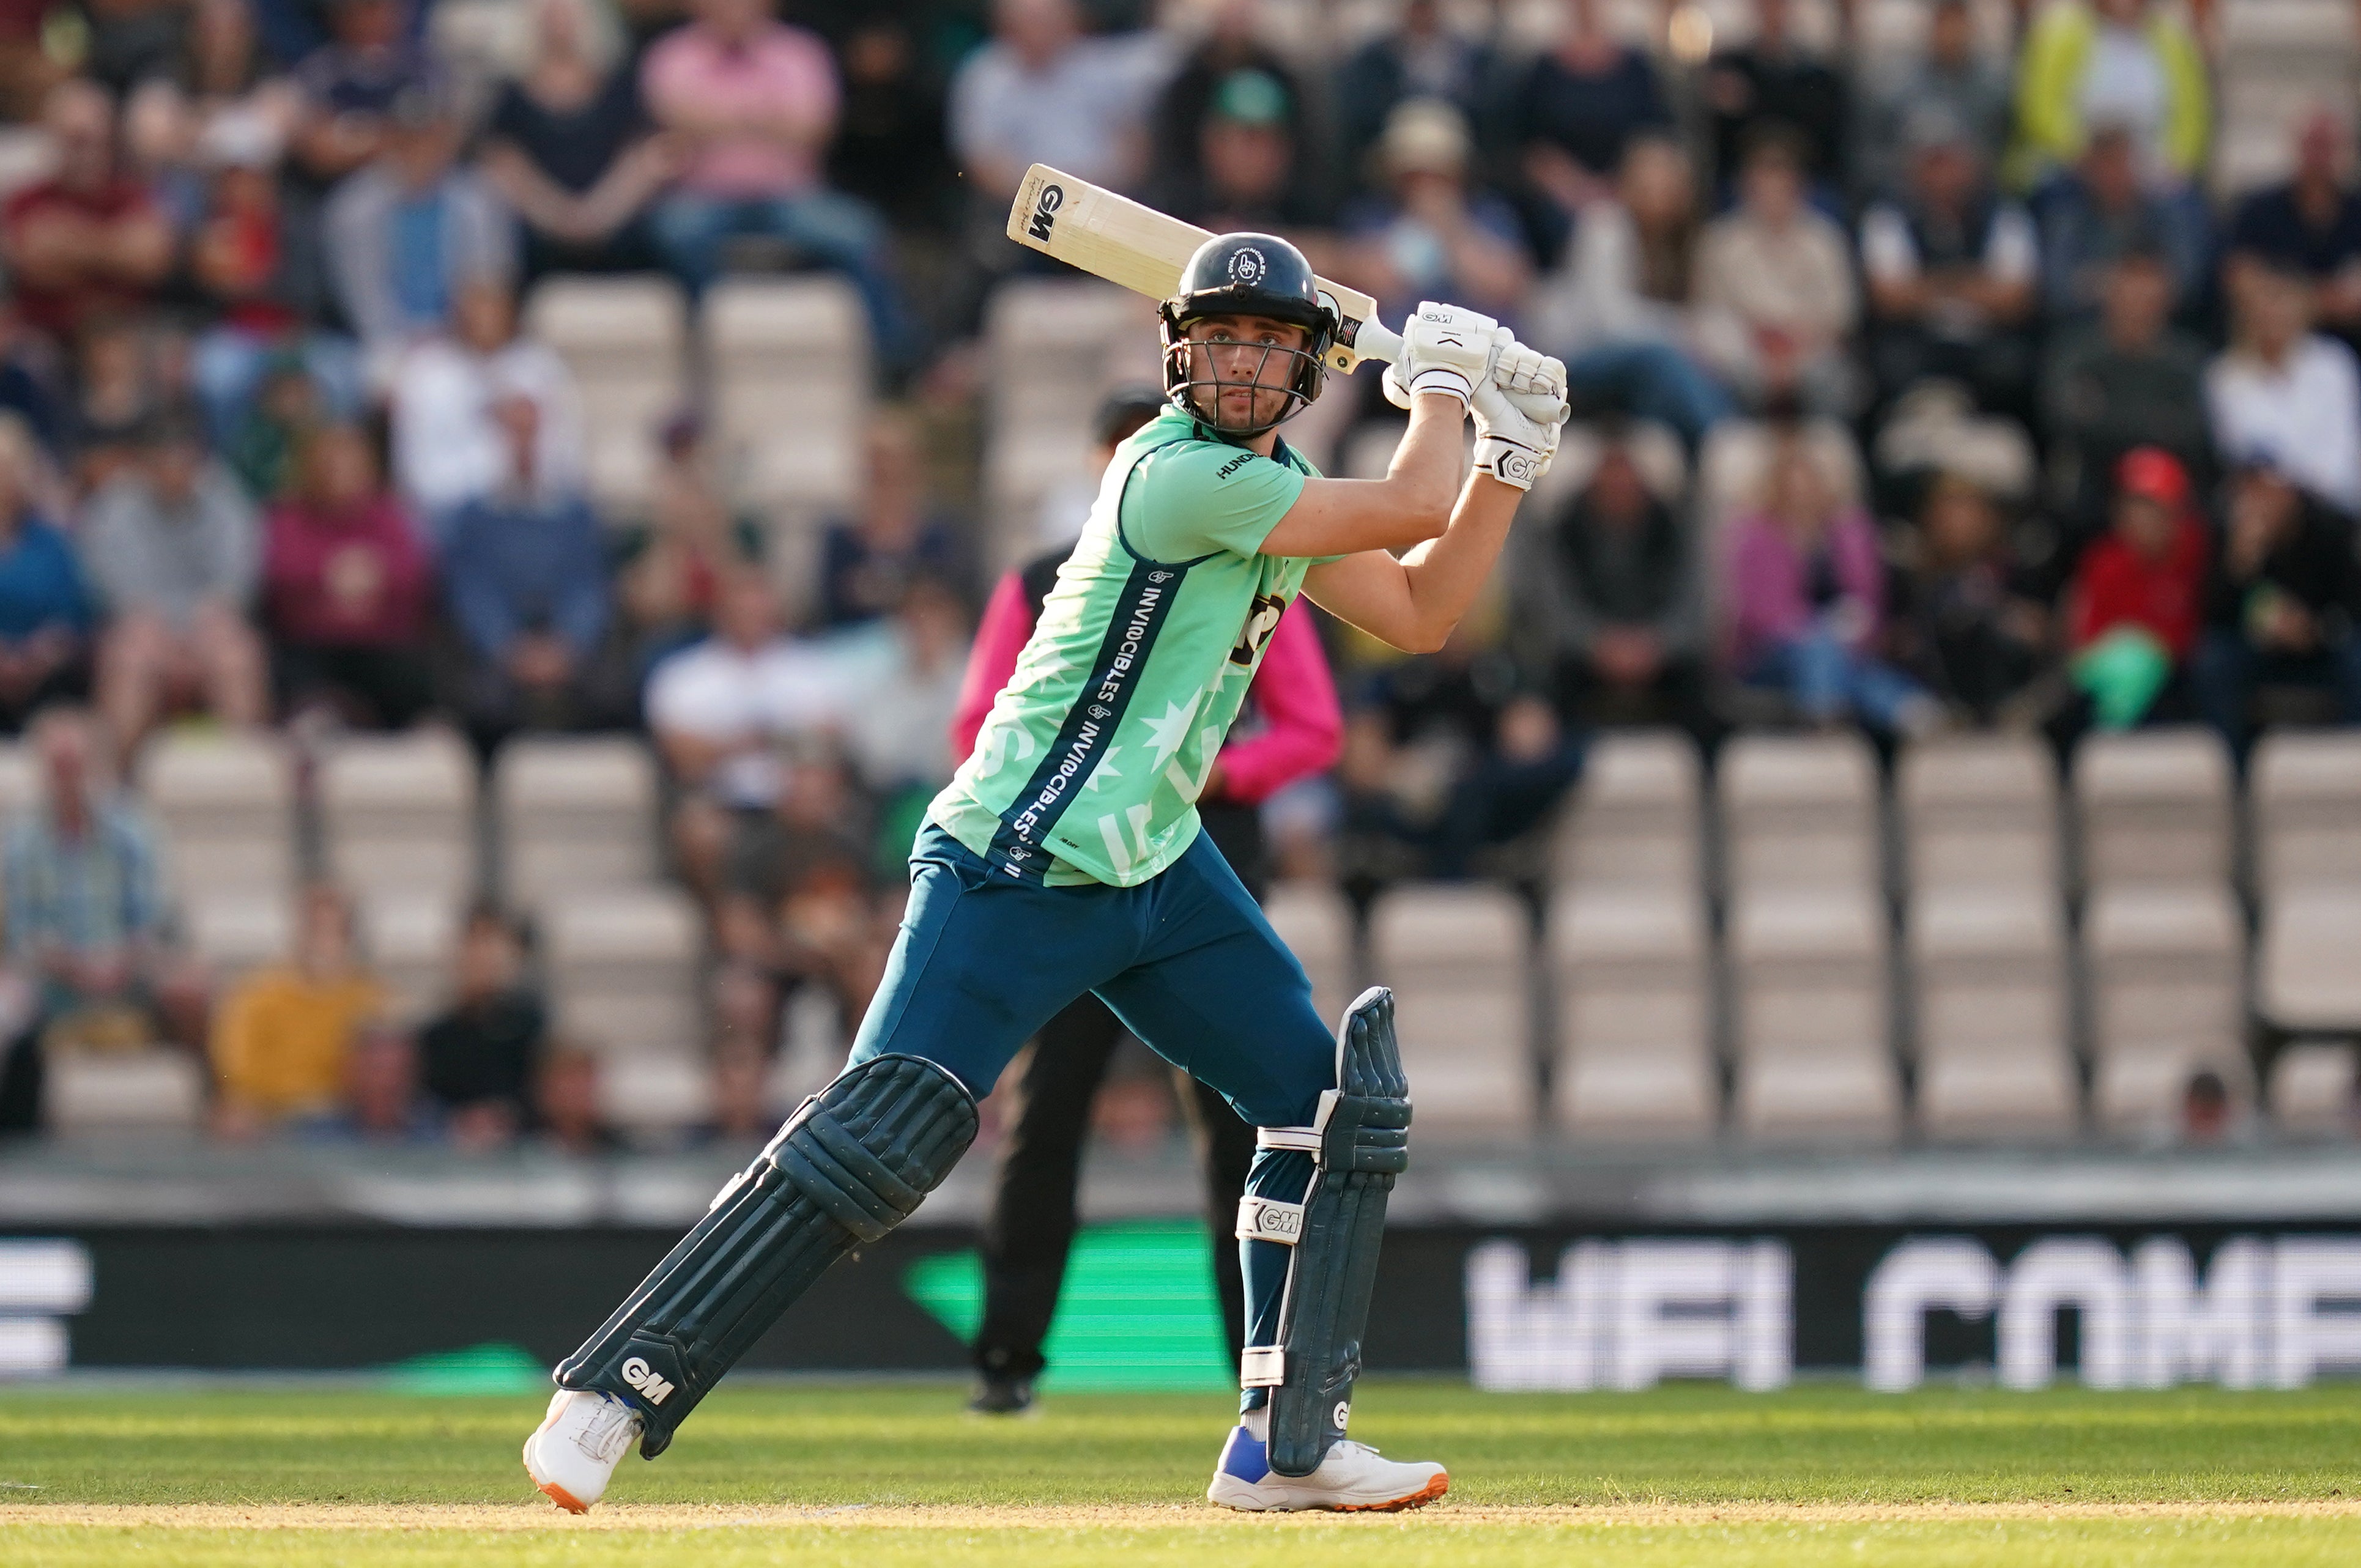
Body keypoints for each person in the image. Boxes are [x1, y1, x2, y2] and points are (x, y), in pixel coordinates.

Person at [520, 232, 1569, 1513]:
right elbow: (1409, 503)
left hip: (1158, 864)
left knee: (1322, 1111)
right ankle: (613, 1387)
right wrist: (1452, 390)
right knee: (882, 1135)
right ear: (1181, 354)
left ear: (1303, 369)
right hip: (1018, 853)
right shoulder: (1176, 473)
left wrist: (1508, 464)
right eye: (1224, 338)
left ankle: (1283, 1445)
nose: (1244, 364)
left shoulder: (1273, 485)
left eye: (1271, 345)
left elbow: (1418, 610)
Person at [949, 388, 1343, 1412]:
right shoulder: (1043, 583)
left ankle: (1259, 1375)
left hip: (1200, 864)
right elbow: (980, 732)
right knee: (1048, 1116)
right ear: (1100, 467)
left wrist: (1220, 772)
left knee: (1238, 1124)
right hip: (1074, 868)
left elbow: (1313, 727)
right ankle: (1007, 1362)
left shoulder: (1253, 573)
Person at [640, 0, 910, 364]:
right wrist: (766, 119)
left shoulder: (801, 52)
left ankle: (892, 365)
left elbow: (814, 130)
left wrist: (715, 122)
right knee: (671, 233)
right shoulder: (671, 54)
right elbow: (671, 121)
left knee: (861, 235)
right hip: (703, 197)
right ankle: (710, 353)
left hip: (791, 197)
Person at [0, 707, 194, 1135]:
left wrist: (120, 961)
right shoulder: (22, 840)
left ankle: (217, 1115)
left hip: (129, 972)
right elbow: (23, 933)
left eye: (77, 767)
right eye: (59, 768)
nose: (69, 778)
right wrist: (74, 966)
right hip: (54, 981)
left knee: (191, 988)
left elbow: (152, 919)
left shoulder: (133, 830)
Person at [1527, 136, 1730, 448]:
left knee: (1679, 374)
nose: (1659, 193)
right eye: (1649, 182)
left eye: (1669, 184)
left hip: (1636, 365)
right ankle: (1724, 443)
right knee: (1662, 357)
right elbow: (1612, 324)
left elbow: (1709, 318)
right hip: (1574, 354)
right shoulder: (1604, 226)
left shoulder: (1683, 243)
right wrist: (1683, 334)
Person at [1724, 435, 1933, 735]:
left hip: (1846, 652)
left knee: (1846, 662)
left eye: (1809, 485)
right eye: (1792, 488)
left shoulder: (1852, 535)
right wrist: (1822, 629)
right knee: (1819, 645)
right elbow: (1763, 619)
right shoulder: (1755, 538)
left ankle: (1908, 716)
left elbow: (1870, 605)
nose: (1802, 496)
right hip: (1771, 657)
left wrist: (1851, 630)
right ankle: (1850, 712)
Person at [83, 411, 268, 749]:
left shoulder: (229, 500)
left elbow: (237, 583)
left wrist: (199, 631)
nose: (173, 466)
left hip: (209, 627)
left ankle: (245, 781)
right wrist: (168, 637)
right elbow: (118, 593)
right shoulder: (113, 508)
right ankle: (117, 788)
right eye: (162, 456)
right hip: (145, 629)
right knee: (131, 656)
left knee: (236, 658)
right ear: (143, 463)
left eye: (183, 456)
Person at [442, 394, 619, 744]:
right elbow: (472, 592)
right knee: (480, 706)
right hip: (499, 655)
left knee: (613, 698)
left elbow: (588, 586)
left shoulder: (577, 516)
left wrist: (568, 646)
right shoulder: (473, 518)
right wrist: (507, 648)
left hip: (568, 650)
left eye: (531, 432)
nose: (523, 444)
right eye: (513, 433)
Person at [1511, 429, 1710, 733]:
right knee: (1547, 680)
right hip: (1583, 657)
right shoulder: (1564, 529)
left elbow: (1692, 603)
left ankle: (1706, 775)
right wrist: (1596, 643)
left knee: (1705, 689)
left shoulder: (1671, 531)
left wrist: (1657, 643)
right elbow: (1550, 604)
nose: (1619, 487)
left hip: (1661, 657)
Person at [324, 85, 516, 378]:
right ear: (391, 141)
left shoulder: (479, 200)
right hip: (388, 344)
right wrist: (411, 350)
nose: (423, 151)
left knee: (528, 376)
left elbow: (489, 285)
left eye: (432, 138)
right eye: (411, 140)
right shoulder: (353, 209)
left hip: (466, 340)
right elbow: (366, 303)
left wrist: (463, 340)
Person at [1858, 109, 2037, 416]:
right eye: (1932, 164)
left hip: (1985, 340)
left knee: (2014, 367)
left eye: (1951, 163)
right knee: (1889, 364)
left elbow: (2015, 300)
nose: (1943, 177)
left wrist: (1929, 285)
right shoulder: (1888, 216)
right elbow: (1889, 298)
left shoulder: (2004, 216)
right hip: (1917, 340)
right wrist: (1971, 284)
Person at [482, 0, 675, 281]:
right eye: (551, 14)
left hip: (618, 221)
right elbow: (502, 162)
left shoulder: (620, 85)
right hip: (535, 228)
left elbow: (646, 156)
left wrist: (599, 215)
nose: (559, 24)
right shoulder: (511, 95)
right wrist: (555, 216)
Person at [260, 423, 434, 728]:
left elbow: (413, 572)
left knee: (412, 671)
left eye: (351, 466)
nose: (341, 476)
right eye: (331, 467)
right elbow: (282, 572)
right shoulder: (289, 515)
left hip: (381, 643)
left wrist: (373, 577)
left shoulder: (389, 515)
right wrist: (331, 576)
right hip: (309, 643)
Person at [2040, 243, 2213, 536]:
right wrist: (2154, 421)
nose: (2138, 305)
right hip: (2093, 481)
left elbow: (2193, 432)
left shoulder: (2188, 360)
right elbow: (2062, 418)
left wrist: (2108, 415)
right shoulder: (2073, 352)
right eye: (2129, 291)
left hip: (2169, 485)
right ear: (2110, 293)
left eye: (2148, 295)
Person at [2193, 459, 2361, 758]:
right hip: (2260, 653)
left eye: (2265, 493)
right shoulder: (2231, 537)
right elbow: (2212, 617)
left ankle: (2352, 761)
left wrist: (2315, 630)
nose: (2257, 505)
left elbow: (2350, 604)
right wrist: (2239, 566)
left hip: (2321, 651)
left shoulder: (2329, 530)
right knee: (2214, 661)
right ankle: (2235, 772)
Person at [389, 279, 587, 533]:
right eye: (476, 313)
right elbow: (419, 478)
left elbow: (569, 460)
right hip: (457, 517)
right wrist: (499, 462)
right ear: (456, 317)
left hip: (538, 510)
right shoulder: (426, 375)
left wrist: (527, 454)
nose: (486, 322)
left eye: (495, 311)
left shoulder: (541, 368)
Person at [1693, 128, 1859, 415]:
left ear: (1800, 186)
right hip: (1745, 353)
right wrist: (1761, 347)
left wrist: (1795, 348)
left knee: (1835, 375)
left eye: (1781, 180)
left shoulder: (1825, 240)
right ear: (1745, 185)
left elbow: (1842, 314)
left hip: (1808, 351)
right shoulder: (1720, 241)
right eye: (1763, 180)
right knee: (1718, 358)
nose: (1772, 190)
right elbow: (1710, 312)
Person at [1, 81, 174, 350]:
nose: (87, 153)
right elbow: (34, 259)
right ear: (53, 139)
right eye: (75, 141)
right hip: (48, 336)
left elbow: (150, 259)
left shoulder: (135, 194)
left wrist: (68, 243)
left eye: (95, 139)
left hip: (127, 335)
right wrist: (117, 248)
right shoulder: (26, 199)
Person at [209, 884, 386, 1137]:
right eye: (318, 930)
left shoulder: (372, 1001)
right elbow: (236, 1070)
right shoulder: (256, 996)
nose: (326, 943)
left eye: (336, 932)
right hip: (271, 1117)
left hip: (343, 1120)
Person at [1340, 98, 1531, 327]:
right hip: (1392, 349)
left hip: (1477, 348)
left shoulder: (1491, 215)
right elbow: (1369, 286)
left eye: (1437, 172)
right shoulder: (1372, 215)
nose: (1426, 184)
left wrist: (1450, 228)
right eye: (1415, 173)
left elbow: (1508, 287)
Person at [1885, 472, 2049, 724]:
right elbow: (1892, 640)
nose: (1957, 522)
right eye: (1948, 511)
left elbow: (2044, 632)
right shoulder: (1910, 574)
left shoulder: (2014, 569)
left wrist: (2010, 617)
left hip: (2008, 696)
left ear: (1989, 519)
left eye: (1967, 511)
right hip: (1927, 696)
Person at [2063, 446, 2207, 731]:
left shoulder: (2199, 553)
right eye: (2133, 506)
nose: (2141, 519)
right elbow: (2088, 642)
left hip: (2182, 681)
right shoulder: (2104, 562)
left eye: (2153, 507)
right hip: (2120, 688)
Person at [2206, 259, 2361, 517]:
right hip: (2263, 510)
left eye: (2284, 300)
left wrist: (2303, 492)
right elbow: (2238, 453)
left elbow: (2344, 455)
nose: (2275, 312)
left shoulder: (2334, 365)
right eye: (2267, 300)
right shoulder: (2225, 376)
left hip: (2334, 508)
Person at [2011, 0, 2208, 194]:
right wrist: (2086, 157)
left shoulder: (2172, 39)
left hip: (2154, 172)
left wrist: (2172, 164)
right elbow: (2040, 109)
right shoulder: (2060, 31)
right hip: (2073, 166)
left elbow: (2192, 116)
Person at [1504, 0, 1672, 224]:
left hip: (1629, 191)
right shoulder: (1544, 71)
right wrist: (1569, 185)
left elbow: (1655, 135)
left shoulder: (1637, 69)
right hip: (1559, 196)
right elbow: (1527, 142)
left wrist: (1620, 186)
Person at [2224, 108, 2361, 352]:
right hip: (2269, 351)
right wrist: (2326, 300)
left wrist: (2289, 295)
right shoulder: (2258, 209)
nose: (2320, 157)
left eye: (2327, 146)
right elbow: (2239, 276)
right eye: (2313, 145)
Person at [2038, 122, 2203, 322]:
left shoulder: (2162, 214)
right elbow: (2058, 293)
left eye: (2119, 163)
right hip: (2087, 329)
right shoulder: (2068, 218)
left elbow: (2185, 280)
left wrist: (2095, 281)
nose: (2111, 174)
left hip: (2158, 329)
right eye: (2103, 165)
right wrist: (2131, 283)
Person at [815, 414, 965, 629]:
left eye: (897, 475)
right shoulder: (840, 540)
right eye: (879, 476)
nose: (889, 487)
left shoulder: (938, 539)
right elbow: (828, 606)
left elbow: (949, 602)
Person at [417, 904, 547, 1150]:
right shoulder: (436, 1036)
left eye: (492, 946)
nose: (483, 957)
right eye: (475, 945)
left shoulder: (532, 1028)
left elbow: (542, 1097)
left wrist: (504, 1117)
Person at [1856, 0, 2011, 201]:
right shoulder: (1899, 89)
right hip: (1909, 197)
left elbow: (2000, 153)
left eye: (1958, 26)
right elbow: (1874, 154)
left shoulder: (1993, 91)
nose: (1951, 35)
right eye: (1944, 25)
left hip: (1976, 199)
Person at [0, 415, 95, 731]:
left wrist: (44, 651)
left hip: (43, 680)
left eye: (10, 470)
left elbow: (75, 613)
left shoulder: (50, 542)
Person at [1332, 0, 1493, 177]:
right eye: (1416, 6)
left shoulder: (1474, 57)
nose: (1422, 13)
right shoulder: (1373, 60)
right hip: (1393, 142)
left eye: (1427, 6)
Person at [1702, 0, 1847, 193]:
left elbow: (1824, 138)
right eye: (1767, 5)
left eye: (1780, 5)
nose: (1773, 12)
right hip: (1741, 188)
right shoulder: (1729, 68)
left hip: (1807, 187)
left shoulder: (1818, 75)